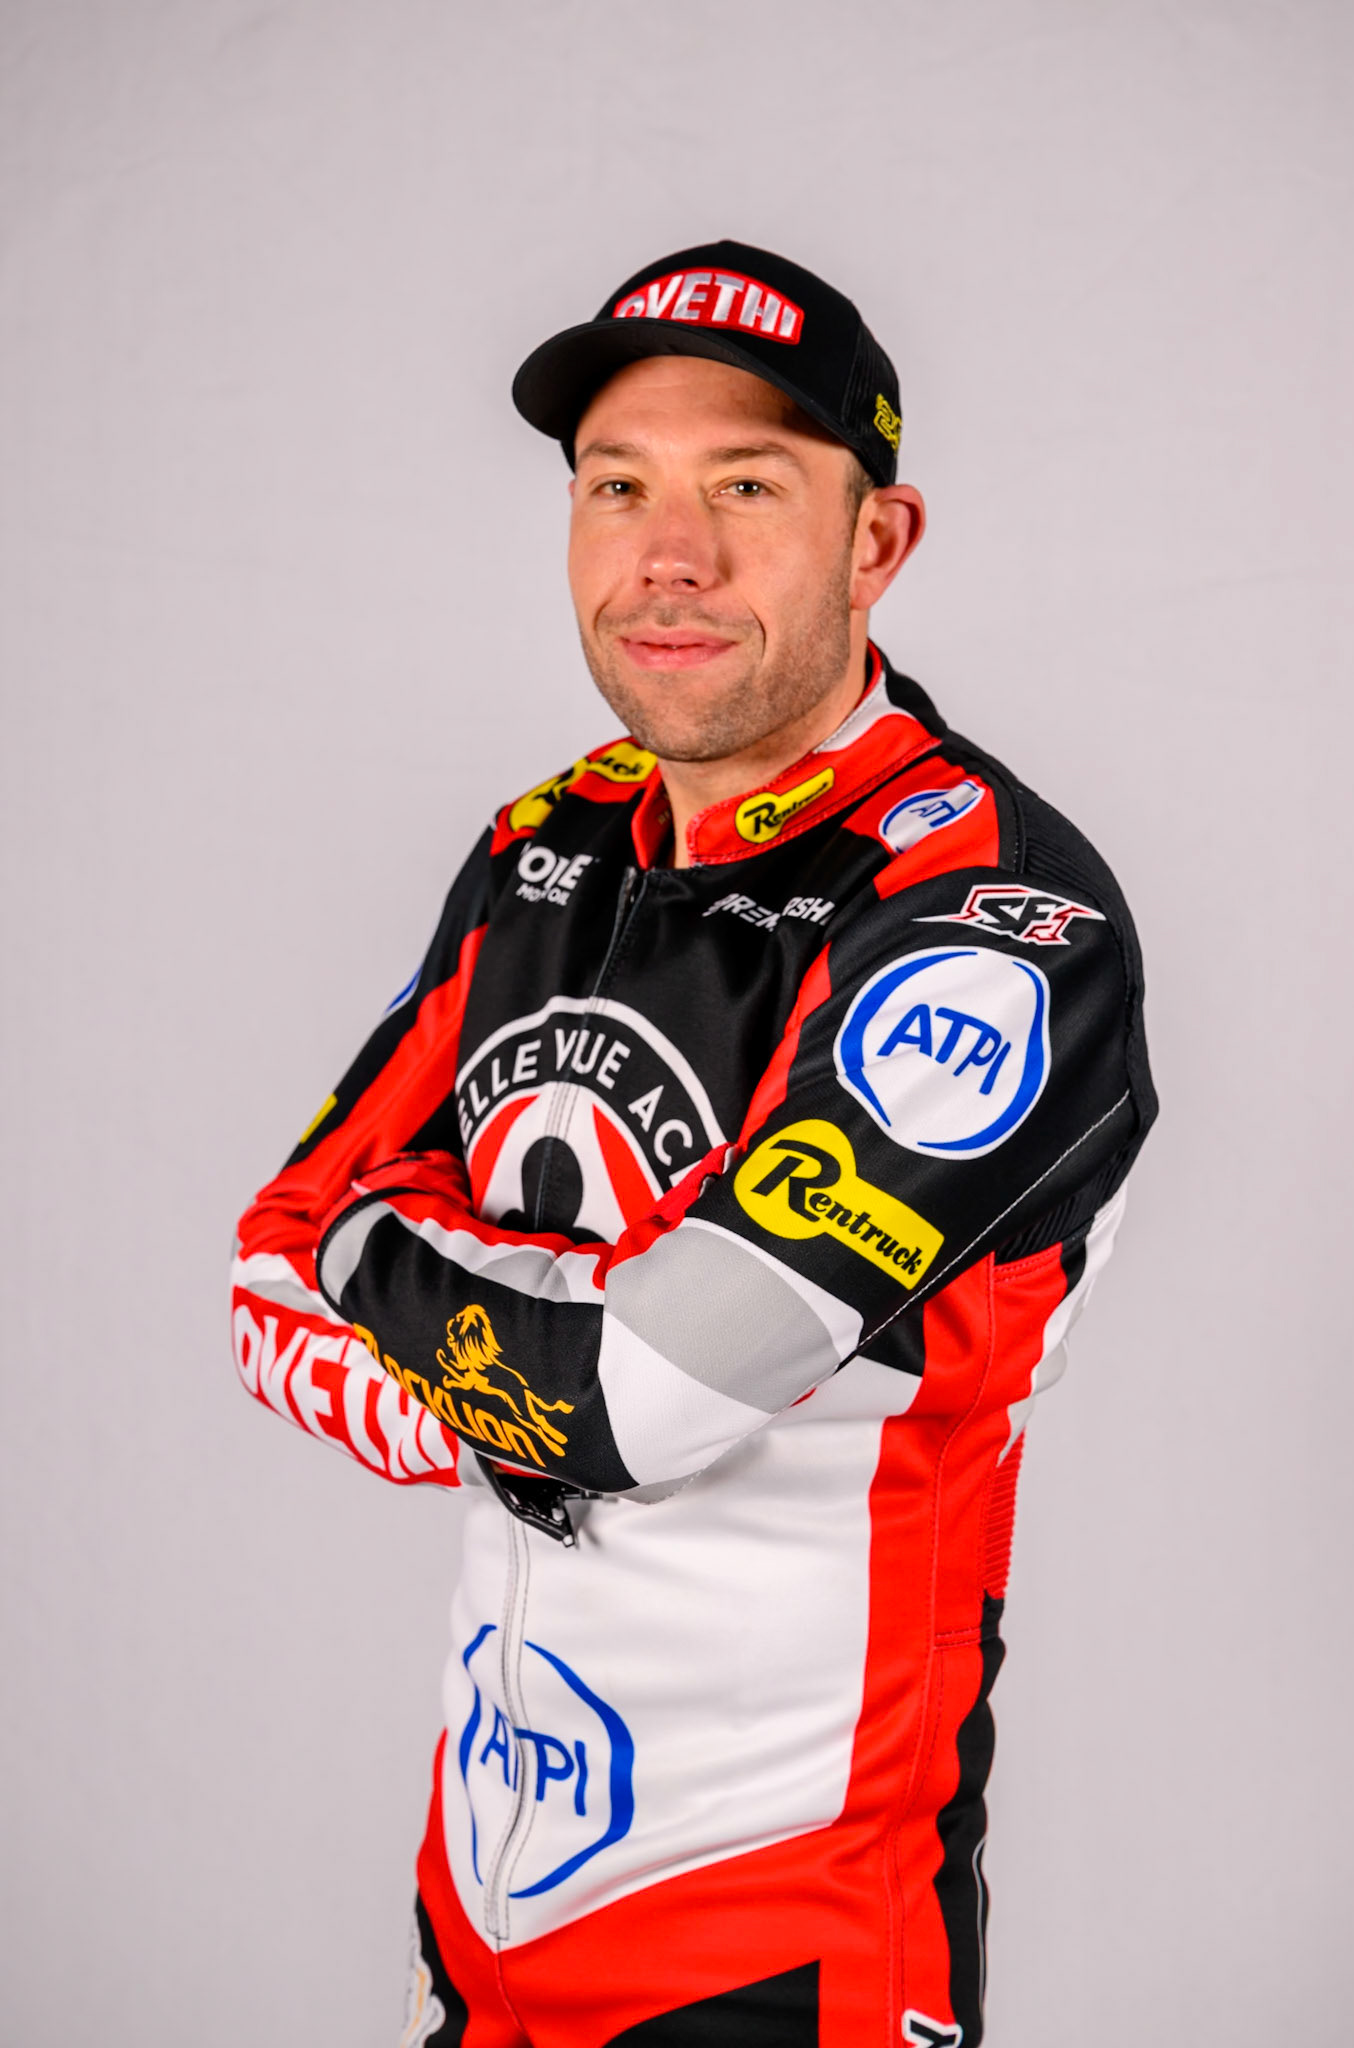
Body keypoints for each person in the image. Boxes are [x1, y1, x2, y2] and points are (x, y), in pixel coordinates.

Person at [232, 240, 1156, 2047]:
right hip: (484, 1902)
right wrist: (539, 1318)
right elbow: (266, 1249)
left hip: (775, 1940)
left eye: (748, 485)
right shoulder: (540, 846)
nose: (672, 556)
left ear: (876, 541)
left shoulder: (982, 914)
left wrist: (397, 1270)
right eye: (617, 487)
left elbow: (627, 1405)